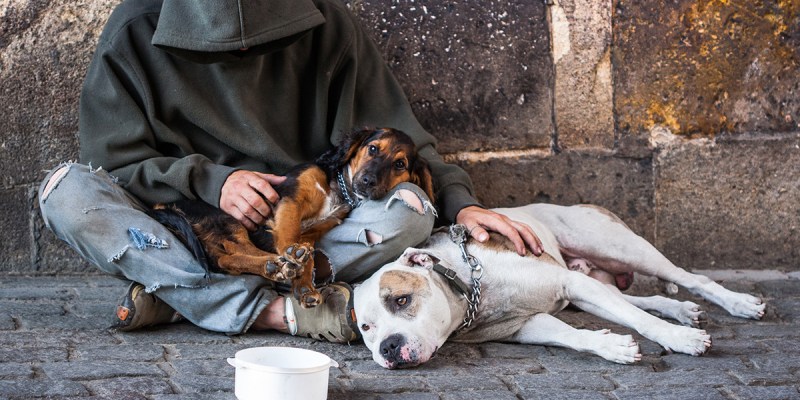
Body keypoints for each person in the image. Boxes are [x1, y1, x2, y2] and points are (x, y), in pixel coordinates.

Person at [38, 0, 542, 342]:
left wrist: (463, 203)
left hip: (310, 231)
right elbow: (116, 163)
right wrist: (213, 181)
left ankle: (177, 296)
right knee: (65, 193)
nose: (242, 53)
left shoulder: (327, 21)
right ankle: (287, 312)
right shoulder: (134, 27)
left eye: (262, 41)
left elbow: (402, 142)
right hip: (186, 226)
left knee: (408, 216)